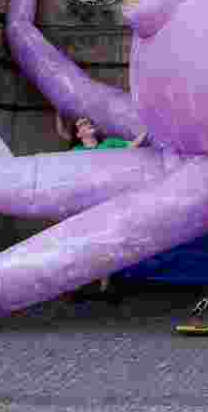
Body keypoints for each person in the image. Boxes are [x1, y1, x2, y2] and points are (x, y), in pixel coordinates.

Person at [56, 114, 147, 304]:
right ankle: (76, 285)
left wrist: (149, 127)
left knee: (105, 242)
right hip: (84, 203)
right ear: (79, 134)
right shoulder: (76, 151)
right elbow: (62, 139)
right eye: (83, 124)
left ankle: (104, 286)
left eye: (89, 122)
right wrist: (58, 113)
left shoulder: (110, 144)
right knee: (81, 242)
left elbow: (133, 145)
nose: (88, 125)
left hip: (107, 201)